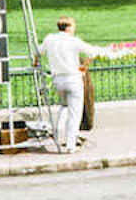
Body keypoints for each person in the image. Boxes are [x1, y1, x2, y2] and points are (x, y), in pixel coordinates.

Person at [36, 17, 105, 153]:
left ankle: (57, 132)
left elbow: (38, 52)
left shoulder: (50, 39)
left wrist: (35, 62)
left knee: (64, 106)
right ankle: (70, 144)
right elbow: (92, 52)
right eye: (73, 26)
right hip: (73, 78)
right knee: (74, 113)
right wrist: (83, 67)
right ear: (68, 27)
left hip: (58, 79)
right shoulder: (73, 41)